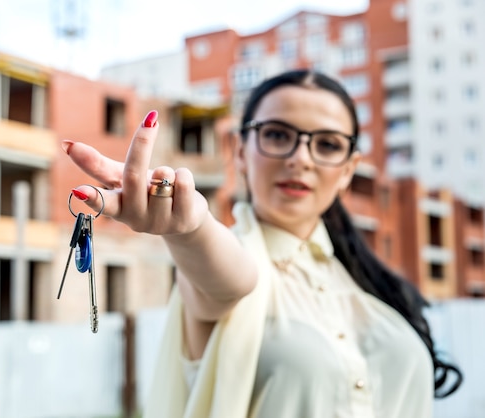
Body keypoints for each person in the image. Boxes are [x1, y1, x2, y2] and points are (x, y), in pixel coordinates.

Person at [62, 69, 462, 418]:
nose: (300, 158)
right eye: (277, 135)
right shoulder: (226, 260)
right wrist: (191, 229)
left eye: (326, 144)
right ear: (239, 151)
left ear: (348, 171)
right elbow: (231, 282)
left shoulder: (369, 287)